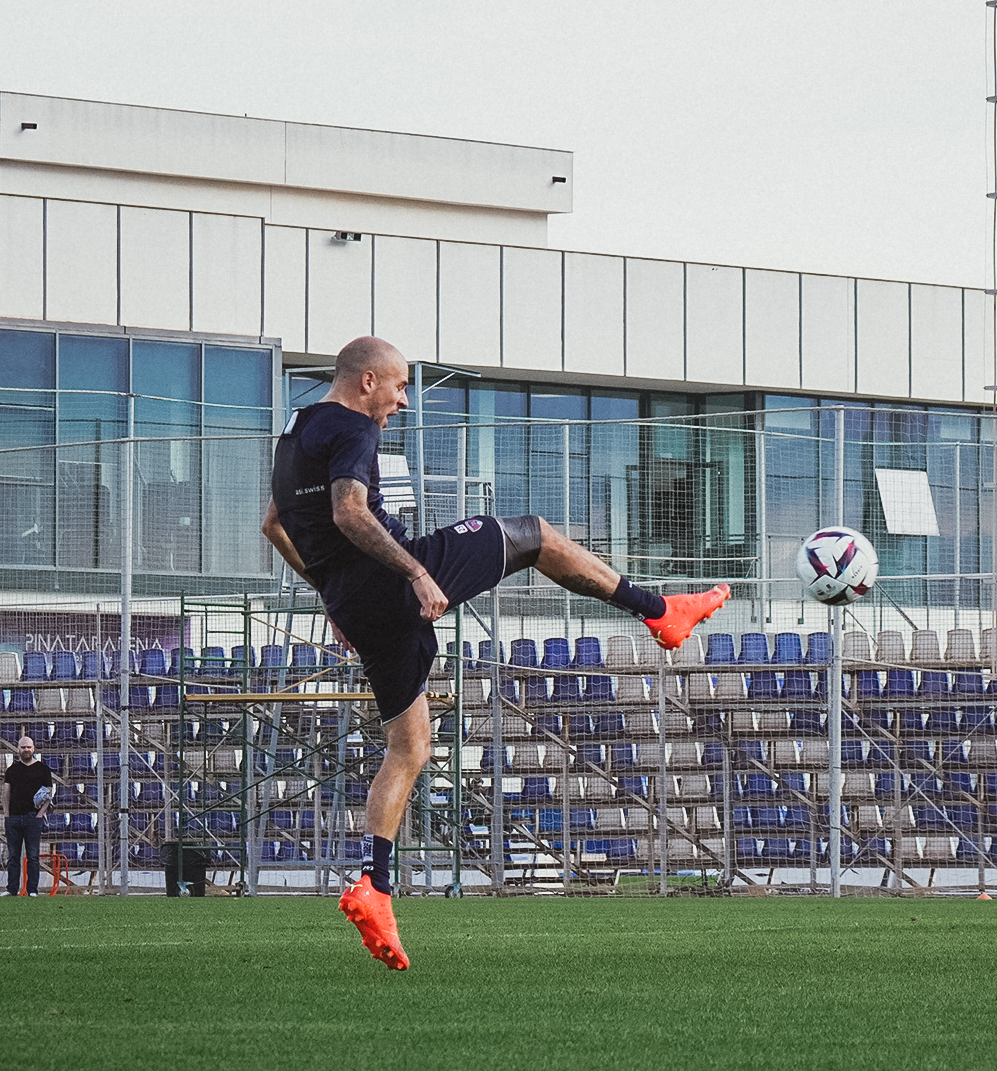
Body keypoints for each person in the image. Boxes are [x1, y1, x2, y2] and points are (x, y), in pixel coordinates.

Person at [262, 336, 729, 970]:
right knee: (532, 535)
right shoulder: (352, 427)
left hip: (356, 602)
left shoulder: (296, 434)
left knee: (410, 747)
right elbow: (349, 514)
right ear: (367, 381)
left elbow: (275, 525)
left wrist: (333, 596)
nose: (403, 401)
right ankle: (659, 611)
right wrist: (416, 574)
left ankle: (374, 885)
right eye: (399, 387)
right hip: (395, 580)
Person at [3, 735, 54, 897]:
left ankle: (32, 890)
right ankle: (11, 889)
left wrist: (40, 814)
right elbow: (6, 794)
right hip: (14, 818)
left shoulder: (43, 769)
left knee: (32, 856)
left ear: (34, 749)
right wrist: (7, 815)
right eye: (23, 747)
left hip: (33, 818)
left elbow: (48, 794)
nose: (26, 750)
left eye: (29, 747)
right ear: (18, 749)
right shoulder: (12, 770)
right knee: (13, 857)